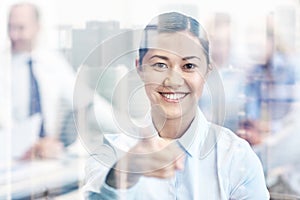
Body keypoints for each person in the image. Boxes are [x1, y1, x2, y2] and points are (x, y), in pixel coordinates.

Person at [84, 12, 269, 199]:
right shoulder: (111, 153)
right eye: (160, 65)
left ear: (207, 71)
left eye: (189, 66)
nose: (173, 81)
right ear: (140, 69)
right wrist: (124, 174)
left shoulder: (236, 157)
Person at [0, 2, 76, 160]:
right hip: (12, 158)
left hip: (49, 156)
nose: (14, 35)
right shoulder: (3, 65)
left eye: (21, 28)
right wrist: (31, 144)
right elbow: (4, 119)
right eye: (10, 27)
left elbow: (82, 99)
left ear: (37, 27)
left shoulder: (53, 62)